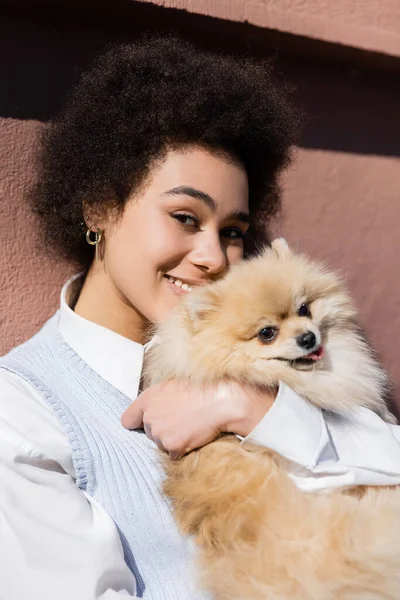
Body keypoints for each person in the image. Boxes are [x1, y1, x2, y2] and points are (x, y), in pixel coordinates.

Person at [1, 36, 400, 600]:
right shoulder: (20, 416)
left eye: (233, 232)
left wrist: (253, 409)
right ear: (99, 207)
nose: (214, 257)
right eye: (185, 217)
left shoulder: (270, 369)